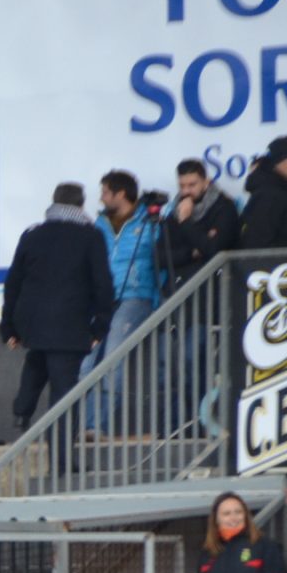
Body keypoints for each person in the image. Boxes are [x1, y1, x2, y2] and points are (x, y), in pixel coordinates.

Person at [2, 183, 114, 432]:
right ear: (81, 205)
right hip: (70, 327)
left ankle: (22, 409)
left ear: (53, 202)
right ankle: (61, 453)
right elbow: (103, 285)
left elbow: (13, 283)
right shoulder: (91, 237)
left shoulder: (32, 235)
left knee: (38, 359)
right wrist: (100, 327)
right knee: (63, 393)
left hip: (32, 323)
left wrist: (9, 327)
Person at [80, 171, 164, 436]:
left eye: (106, 192)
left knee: (113, 357)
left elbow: (161, 262)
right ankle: (77, 425)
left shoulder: (150, 222)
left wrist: (157, 299)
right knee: (85, 359)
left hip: (136, 296)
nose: (101, 198)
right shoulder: (99, 224)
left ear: (121, 194)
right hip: (102, 299)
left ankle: (95, 425)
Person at [164, 158, 241, 295]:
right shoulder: (175, 211)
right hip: (179, 289)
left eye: (192, 185)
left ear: (206, 182)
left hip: (214, 290)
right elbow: (162, 256)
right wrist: (192, 253)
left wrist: (185, 221)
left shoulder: (223, 207)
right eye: (182, 186)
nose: (186, 191)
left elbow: (213, 249)